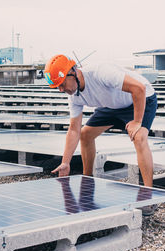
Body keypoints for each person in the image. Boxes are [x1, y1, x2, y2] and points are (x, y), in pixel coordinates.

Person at [44, 54, 158, 215]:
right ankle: (87, 180)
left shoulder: (100, 72)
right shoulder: (74, 96)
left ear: (73, 72)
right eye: (57, 87)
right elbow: (74, 129)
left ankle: (148, 196)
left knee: (139, 137)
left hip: (140, 98)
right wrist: (65, 162)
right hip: (113, 105)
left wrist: (137, 122)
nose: (61, 90)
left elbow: (139, 88)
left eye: (62, 84)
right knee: (85, 134)